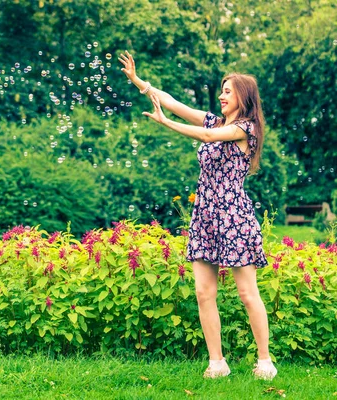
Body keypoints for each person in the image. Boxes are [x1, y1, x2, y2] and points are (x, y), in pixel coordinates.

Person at [119, 51, 277, 380]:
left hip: (233, 215)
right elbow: (173, 102)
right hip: (204, 214)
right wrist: (139, 83)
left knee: (248, 293)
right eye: (221, 90)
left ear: (243, 97)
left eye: (227, 91)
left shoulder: (246, 128)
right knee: (204, 292)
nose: (221, 95)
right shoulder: (214, 120)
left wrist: (165, 123)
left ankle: (264, 362)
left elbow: (205, 137)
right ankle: (216, 363)